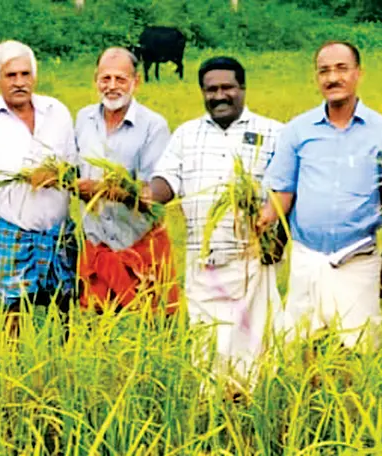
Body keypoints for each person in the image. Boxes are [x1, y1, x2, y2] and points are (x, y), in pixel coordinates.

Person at [145, 56, 283, 389]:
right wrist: (139, 193)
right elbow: (165, 181)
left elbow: (287, 191)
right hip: (203, 263)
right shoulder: (185, 134)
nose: (219, 95)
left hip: (254, 261)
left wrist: (278, 238)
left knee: (255, 351)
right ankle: (213, 420)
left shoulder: (273, 132)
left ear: (243, 88)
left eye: (227, 87)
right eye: (211, 89)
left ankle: (254, 421)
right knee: (207, 351)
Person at [259, 41, 382, 352]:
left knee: (357, 348)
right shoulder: (297, 130)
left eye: (341, 69)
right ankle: (306, 403)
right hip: (307, 257)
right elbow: (283, 194)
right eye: (324, 71)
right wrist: (262, 220)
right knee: (302, 346)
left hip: (359, 259)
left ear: (358, 73)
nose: (332, 78)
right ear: (316, 77)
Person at [0, 40, 78, 335]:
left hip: (58, 229)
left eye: (25, 74)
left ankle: (65, 359)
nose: (20, 82)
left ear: (34, 76)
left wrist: (57, 174)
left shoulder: (57, 112)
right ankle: (13, 368)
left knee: (65, 302)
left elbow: (74, 170)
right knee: (13, 305)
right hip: (11, 229)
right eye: (11, 76)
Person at [74, 47, 179, 314]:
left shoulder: (154, 126)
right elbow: (73, 172)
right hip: (98, 245)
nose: (112, 86)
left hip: (139, 245)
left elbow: (149, 196)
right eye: (105, 78)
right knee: (97, 328)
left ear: (136, 81)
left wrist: (102, 190)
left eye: (120, 79)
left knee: (150, 327)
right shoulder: (82, 119)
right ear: (95, 79)